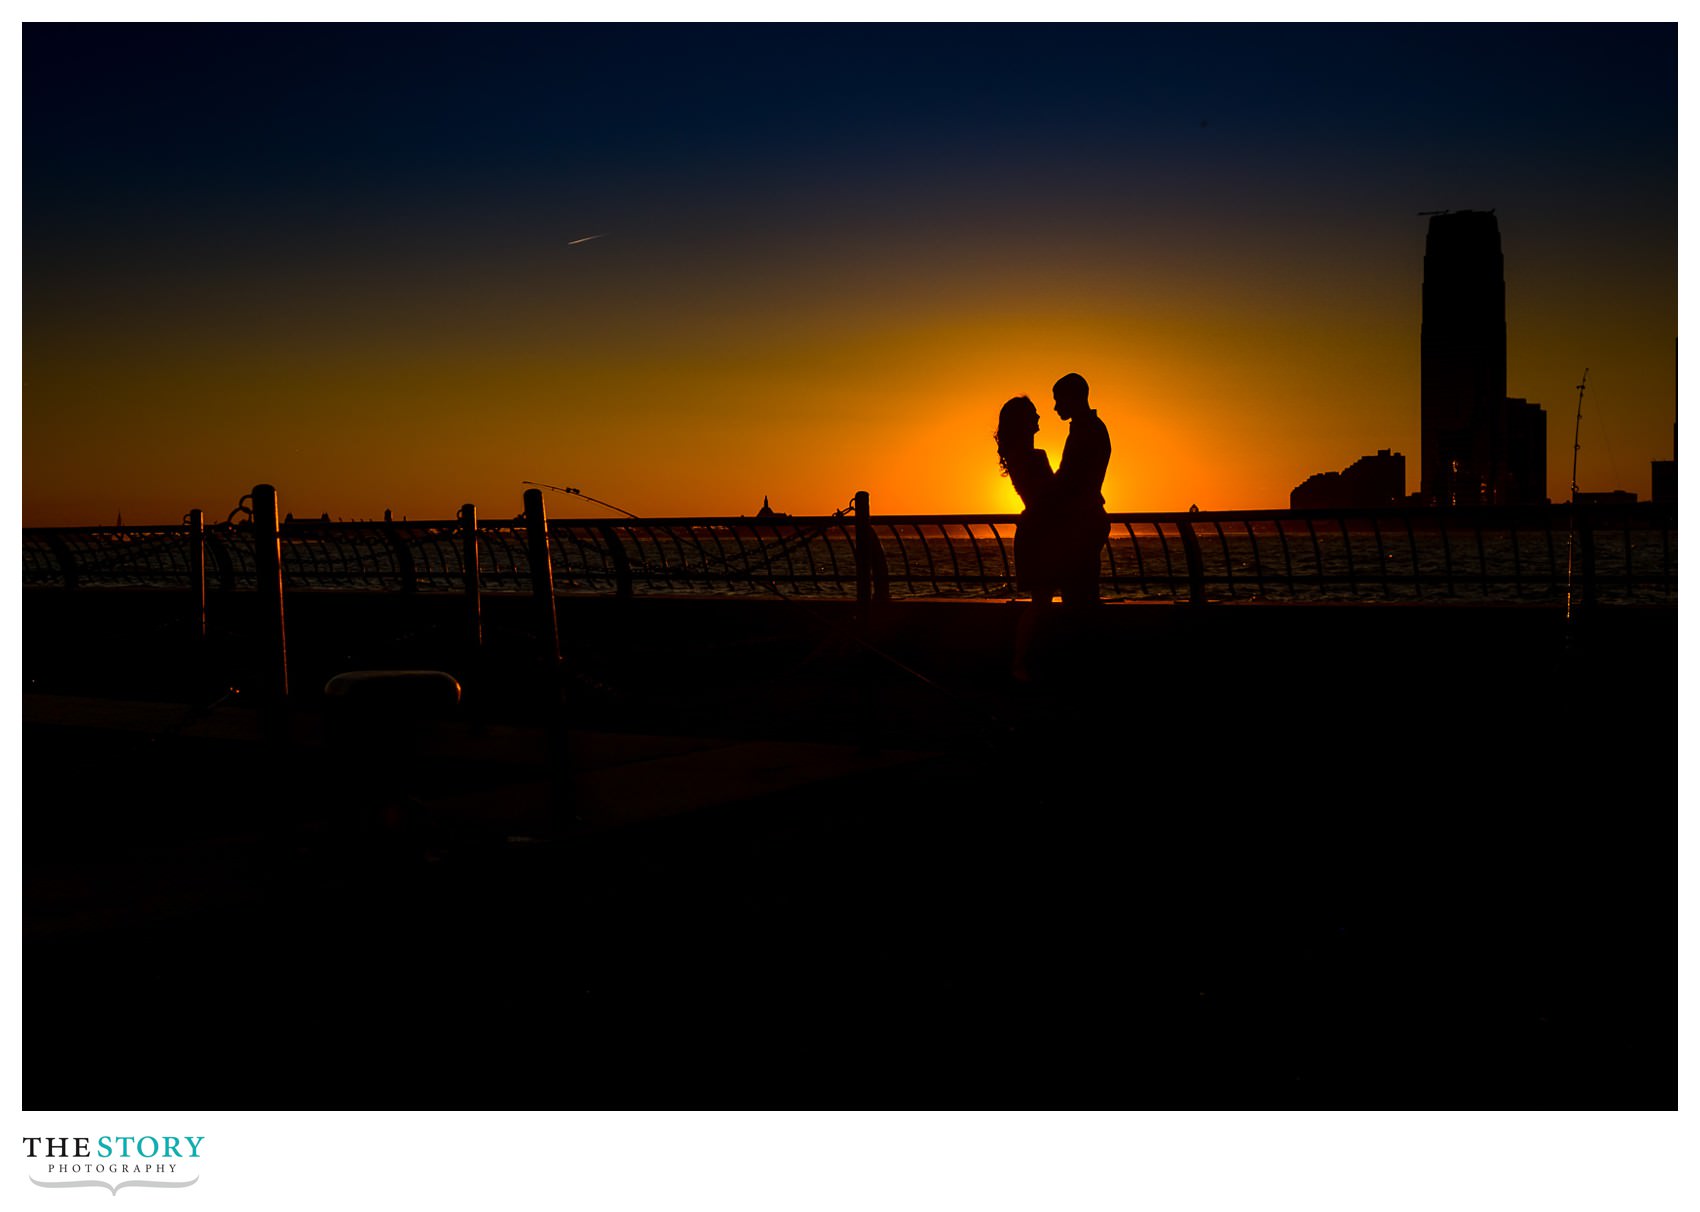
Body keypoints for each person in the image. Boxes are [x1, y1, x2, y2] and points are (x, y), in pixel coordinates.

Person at [995, 394, 1058, 681]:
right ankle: (1020, 664)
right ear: (1023, 421)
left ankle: (1024, 662)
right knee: (1042, 601)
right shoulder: (1032, 457)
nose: (1038, 417)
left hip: (1036, 530)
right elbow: (1051, 496)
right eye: (1033, 413)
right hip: (1040, 533)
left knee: (1042, 601)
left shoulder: (1018, 456)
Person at [1049, 372, 1112, 608]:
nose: (1055, 407)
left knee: (1078, 597)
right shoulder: (1089, 428)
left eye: (1058, 400)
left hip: (1082, 523)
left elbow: (1070, 477)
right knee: (1082, 593)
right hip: (1087, 519)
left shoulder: (1087, 430)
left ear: (1073, 397)